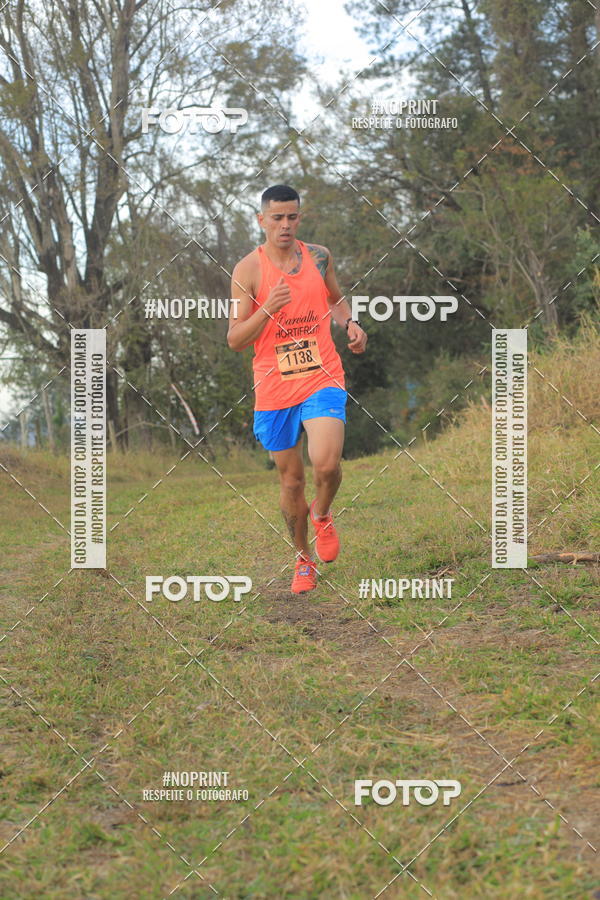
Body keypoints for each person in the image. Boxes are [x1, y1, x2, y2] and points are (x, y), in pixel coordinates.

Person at [227, 185, 368, 593]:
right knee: (291, 482)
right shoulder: (247, 271)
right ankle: (303, 558)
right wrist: (268, 307)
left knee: (325, 464)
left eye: (292, 217)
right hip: (274, 385)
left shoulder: (319, 257)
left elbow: (337, 299)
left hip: (321, 374)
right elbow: (236, 339)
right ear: (261, 220)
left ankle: (322, 513)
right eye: (277, 218)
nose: (285, 225)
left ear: (299, 218)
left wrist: (352, 324)